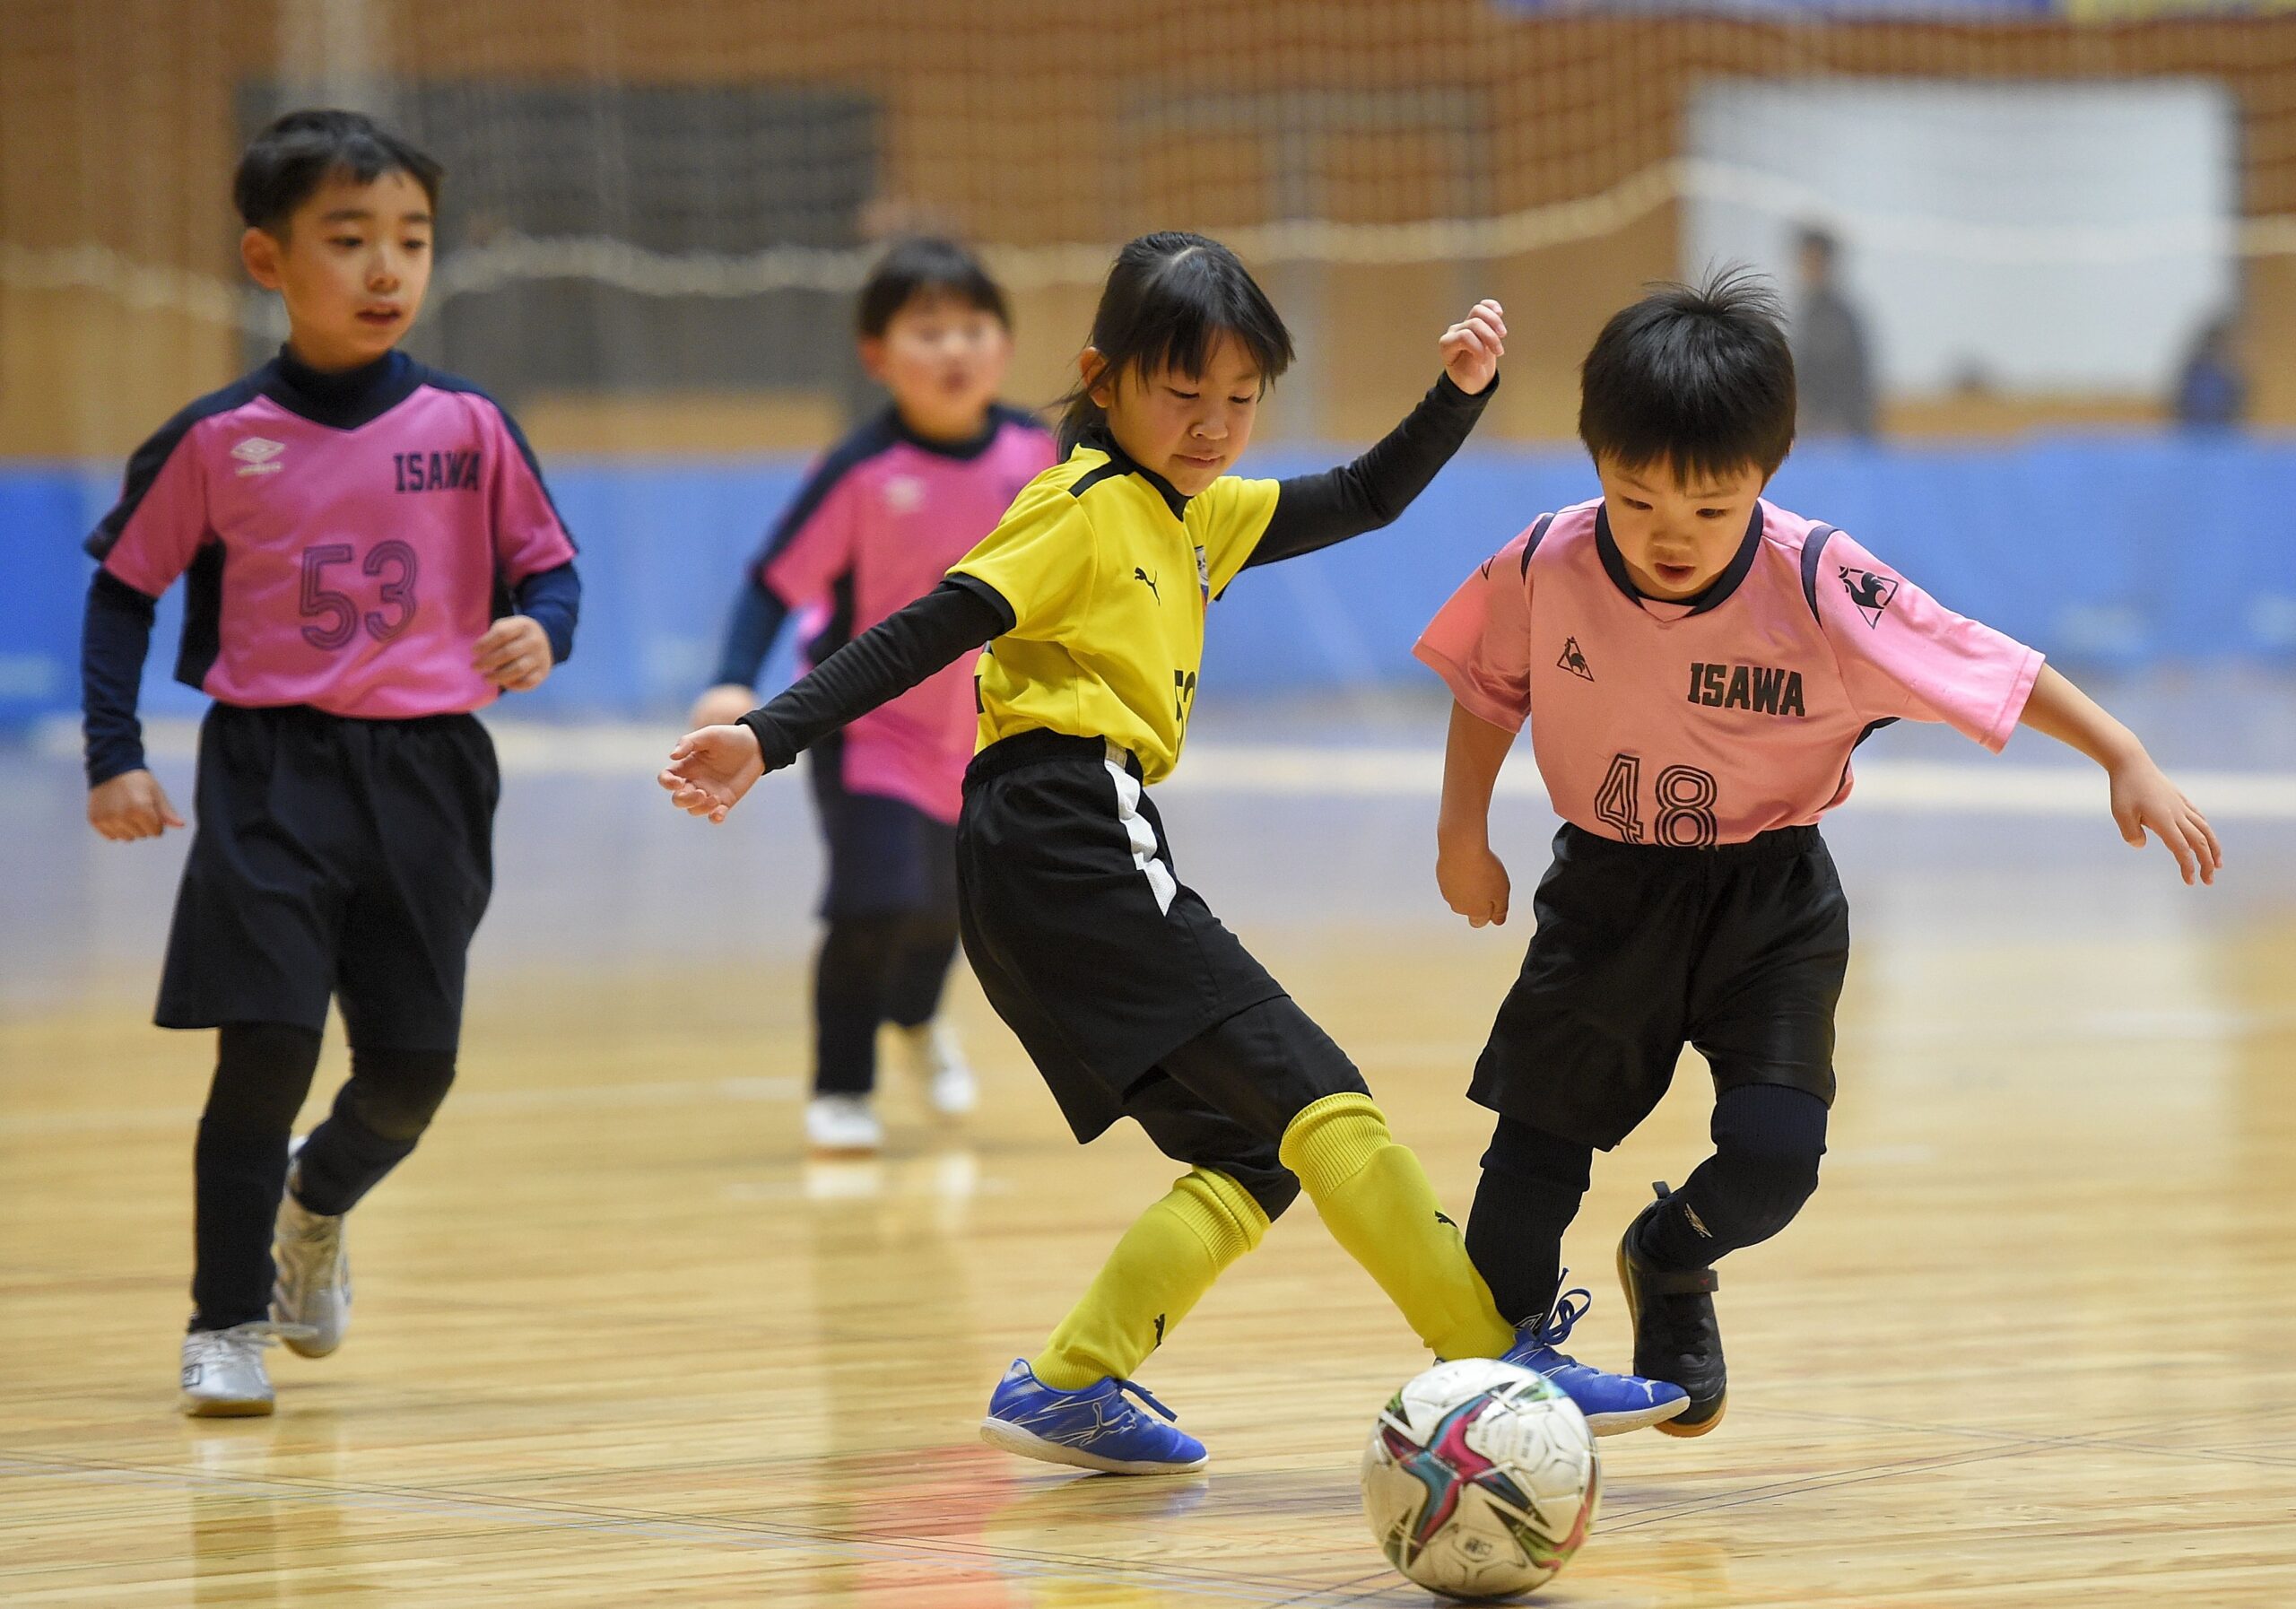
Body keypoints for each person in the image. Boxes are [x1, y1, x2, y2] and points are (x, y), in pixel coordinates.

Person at [662, 231, 1519, 1474]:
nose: (1214, 424)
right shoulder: (1080, 505)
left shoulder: (1195, 510)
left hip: (1039, 847)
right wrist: (768, 733)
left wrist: (1458, 394)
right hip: (1065, 825)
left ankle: (1070, 1381)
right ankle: (1493, 1361)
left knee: (1248, 1152)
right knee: (1321, 1096)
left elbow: (1364, 495)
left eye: (1241, 399)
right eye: (1184, 392)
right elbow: (930, 625)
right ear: (1101, 378)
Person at [1416, 269, 2220, 1440]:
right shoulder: (1544, 562)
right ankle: (1503, 1384)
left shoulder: (1818, 580)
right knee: (1530, 1156)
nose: (1670, 534)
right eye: (1636, 500)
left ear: (1767, 471)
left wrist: (2123, 753)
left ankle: (1670, 1256)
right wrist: (1461, 834)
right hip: (1606, 892)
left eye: (1710, 507)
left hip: (1771, 899)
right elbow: (1488, 690)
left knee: (1775, 1159)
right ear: (1596, 463)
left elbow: (1981, 658)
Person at [79, 109, 581, 1417]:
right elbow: (124, 590)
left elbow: (550, 568)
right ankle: (223, 1320)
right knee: (265, 1050)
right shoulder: (216, 437)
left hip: (431, 777)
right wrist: (115, 754)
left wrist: (546, 630)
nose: (385, 267)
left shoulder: (470, 424)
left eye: (410, 238)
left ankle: (317, 1199)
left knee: (412, 1073)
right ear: (268, 258)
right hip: (271, 771)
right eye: (348, 238)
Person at [690, 239, 1056, 1155]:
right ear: (876, 355)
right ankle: (842, 1085)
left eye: (972, 327)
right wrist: (733, 677)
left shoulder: (1042, 457)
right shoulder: (859, 469)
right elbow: (773, 581)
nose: (953, 348)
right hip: (871, 731)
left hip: (990, 734)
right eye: (927, 331)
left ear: (1005, 345)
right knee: (873, 901)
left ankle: (918, 1021)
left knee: (951, 909)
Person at [1789, 226, 1876, 439]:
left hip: (1838, 431)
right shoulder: (1807, 312)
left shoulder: (1839, 318)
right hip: (1814, 431)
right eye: (1805, 261)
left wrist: (1827, 419)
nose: (1808, 269)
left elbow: (1845, 382)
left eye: (1815, 262)